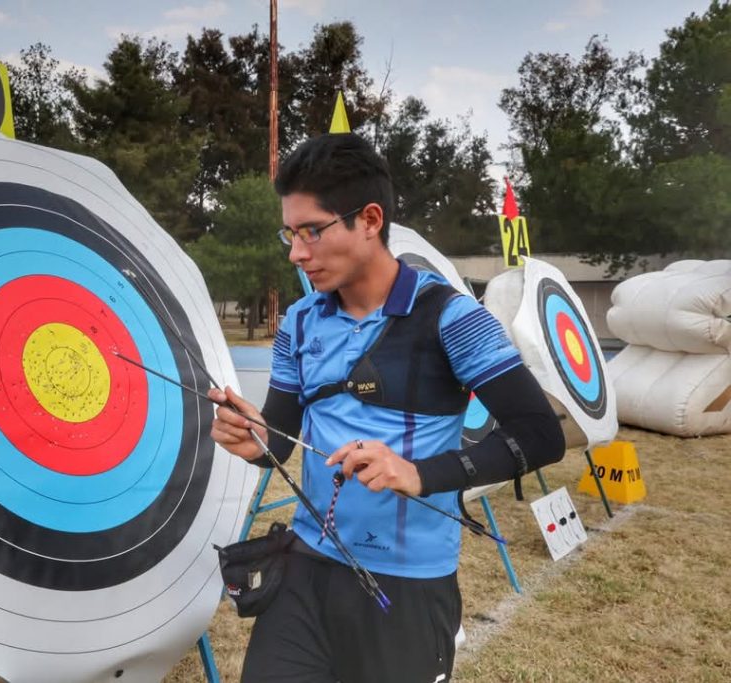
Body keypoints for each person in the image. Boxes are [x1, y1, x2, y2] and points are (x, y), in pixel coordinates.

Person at [209, 133, 565, 683]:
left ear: (369, 220)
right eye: (290, 233)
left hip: (407, 583)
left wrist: (419, 474)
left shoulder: (451, 318)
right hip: (304, 568)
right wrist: (252, 436)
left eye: (312, 231)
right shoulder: (299, 323)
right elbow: (279, 443)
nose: (296, 253)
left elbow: (540, 434)